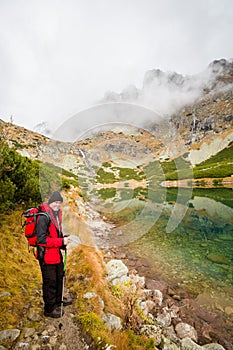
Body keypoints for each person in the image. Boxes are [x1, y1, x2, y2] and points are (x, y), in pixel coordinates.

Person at [36, 191, 72, 318]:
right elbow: (41, 240)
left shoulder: (57, 214)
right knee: (50, 281)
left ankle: (59, 300)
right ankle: (49, 309)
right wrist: (61, 241)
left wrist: (63, 242)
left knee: (59, 276)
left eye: (59, 203)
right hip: (46, 256)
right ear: (50, 202)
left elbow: (55, 234)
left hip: (56, 254)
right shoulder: (43, 217)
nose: (57, 204)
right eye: (55, 202)